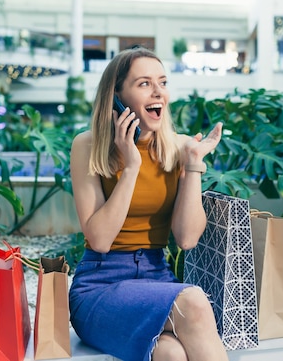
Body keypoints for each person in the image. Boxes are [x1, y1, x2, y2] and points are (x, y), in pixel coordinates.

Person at [68, 46, 227, 361]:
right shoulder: (88, 146)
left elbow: (187, 238)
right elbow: (99, 239)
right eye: (144, 84)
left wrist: (193, 164)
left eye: (163, 83)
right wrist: (130, 167)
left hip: (158, 278)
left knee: (171, 355)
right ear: (117, 96)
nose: (159, 92)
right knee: (193, 302)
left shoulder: (179, 147)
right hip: (100, 286)